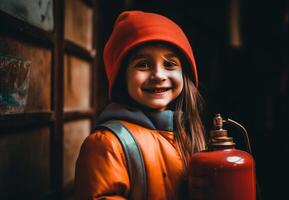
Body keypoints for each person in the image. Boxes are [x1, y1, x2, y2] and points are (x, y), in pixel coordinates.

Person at [75, 10, 207, 200]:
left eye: (170, 64)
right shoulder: (107, 144)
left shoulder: (187, 134)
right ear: (122, 78)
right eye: (143, 65)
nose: (159, 75)